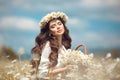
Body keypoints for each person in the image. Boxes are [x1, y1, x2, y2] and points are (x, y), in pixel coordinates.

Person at [31, 12, 73, 80]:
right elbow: (42, 73)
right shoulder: (48, 45)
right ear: (50, 32)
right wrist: (65, 69)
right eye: (53, 26)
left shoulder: (63, 47)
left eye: (59, 24)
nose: (58, 27)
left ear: (63, 26)